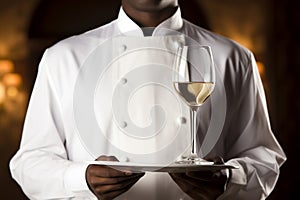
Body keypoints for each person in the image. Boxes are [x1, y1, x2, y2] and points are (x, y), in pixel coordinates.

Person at [10, 0, 286, 199]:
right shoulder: (63, 57)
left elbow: (264, 158)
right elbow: (30, 163)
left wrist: (230, 179)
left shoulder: (234, 57)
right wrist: (81, 178)